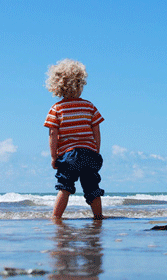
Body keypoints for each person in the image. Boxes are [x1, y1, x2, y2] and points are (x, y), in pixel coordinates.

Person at [44, 58, 105, 220]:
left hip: (69, 155)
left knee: (64, 187)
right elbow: (96, 130)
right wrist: (96, 150)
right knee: (92, 187)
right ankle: (98, 216)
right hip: (89, 153)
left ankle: (56, 217)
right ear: (80, 84)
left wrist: (53, 156)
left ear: (57, 86)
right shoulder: (89, 106)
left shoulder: (56, 109)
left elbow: (53, 134)